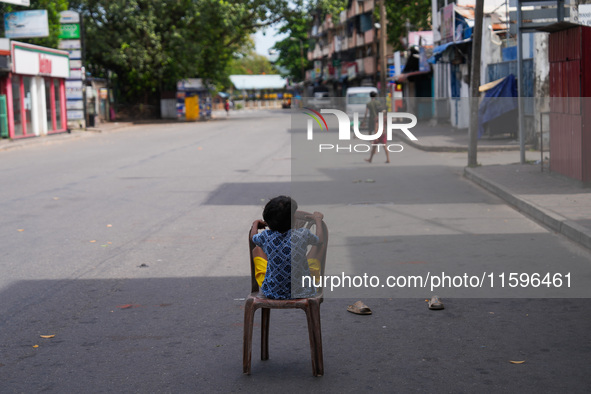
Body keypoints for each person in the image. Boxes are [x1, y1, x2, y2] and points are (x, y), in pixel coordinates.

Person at [251, 196, 323, 299]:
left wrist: (255, 224)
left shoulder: (266, 236)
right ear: (294, 218)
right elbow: (320, 240)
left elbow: (252, 237)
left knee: (257, 249)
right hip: (303, 290)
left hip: (272, 291)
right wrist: (318, 220)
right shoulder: (303, 234)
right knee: (318, 246)